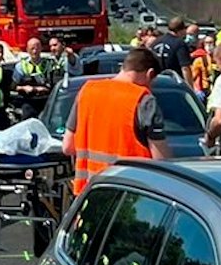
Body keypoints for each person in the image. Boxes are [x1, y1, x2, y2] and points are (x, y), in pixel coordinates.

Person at [62, 46, 169, 194]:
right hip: (129, 196)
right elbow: (161, 161)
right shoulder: (143, 100)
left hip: (89, 193)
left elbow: (68, 147)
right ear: (150, 73)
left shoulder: (87, 91)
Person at [12, 38, 53, 120]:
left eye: (37, 48)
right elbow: (13, 86)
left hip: (46, 100)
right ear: (27, 50)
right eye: (32, 49)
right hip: (28, 101)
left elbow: (54, 83)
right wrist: (24, 88)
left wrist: (44, 89)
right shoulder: (20, 66)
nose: (35, 51)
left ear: (41, 48)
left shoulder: (49, 64)